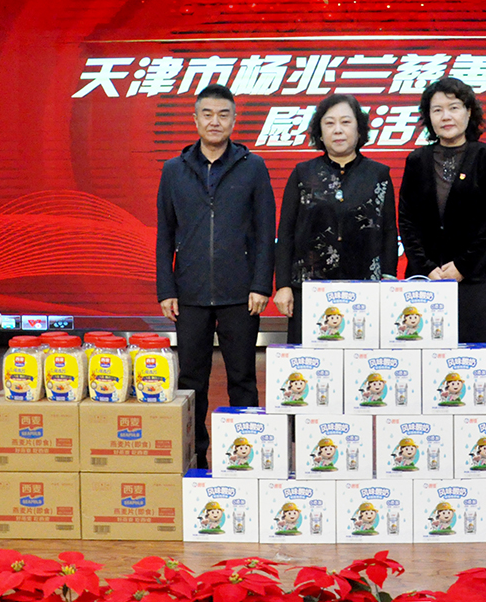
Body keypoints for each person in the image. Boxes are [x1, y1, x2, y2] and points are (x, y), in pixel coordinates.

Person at [155, 83, 275, 466]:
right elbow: (165, 233)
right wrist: (166, 288)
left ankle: (245, 456)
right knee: (191, 382)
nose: (215, 122)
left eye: (223, 115)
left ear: (234, 120)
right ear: (195, 120)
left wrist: (261, 284)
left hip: (241, 293)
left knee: (242, 377)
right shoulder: (174, 170)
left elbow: (265, 231)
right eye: (207, 114)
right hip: (189, 293)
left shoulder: (252, 167)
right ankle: (195, 456)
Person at [273, 93, 398, 342]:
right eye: (329, 123)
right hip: (309, 288)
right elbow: (286, 232)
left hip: (366, 289)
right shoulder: (303, 174)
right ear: (320, 133)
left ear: (359, 130)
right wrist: (283, 285)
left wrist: (388, 280)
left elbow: (388, 231)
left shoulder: (378, 174)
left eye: (346, 122)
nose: (338, 130)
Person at [397, 76, 486, 344]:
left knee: (474, 353)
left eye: (454, 108)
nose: (446, 116)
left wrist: (462, 267)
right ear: (429, 117)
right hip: (427, 277)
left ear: (469, 112)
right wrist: (426, 267)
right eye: (437, 110)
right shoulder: (416, 160)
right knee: (423, 351)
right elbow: (407, 219)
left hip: (477, 276)